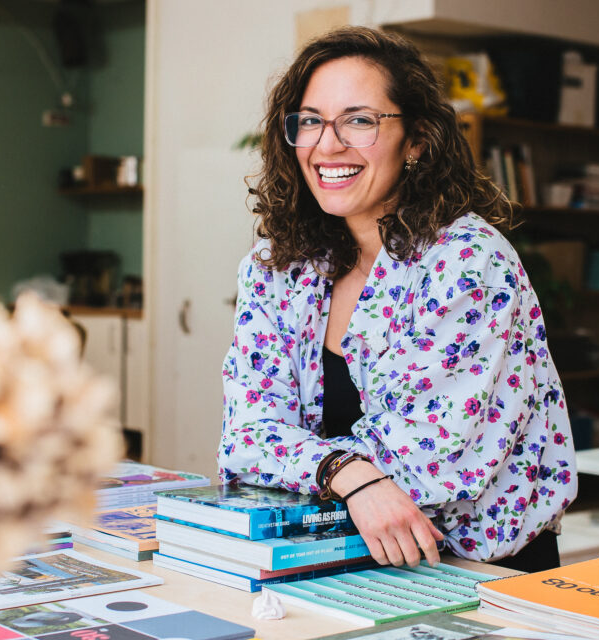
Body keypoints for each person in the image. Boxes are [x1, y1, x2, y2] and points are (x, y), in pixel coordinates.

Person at [217, 26, 576, 572]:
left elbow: (424, 459)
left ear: (416, 141)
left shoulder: (468, 262)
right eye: (310, 121)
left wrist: (306, 462)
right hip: (336, 557)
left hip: (477, 570)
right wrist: (348, 473)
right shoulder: (279, 265)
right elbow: (245, 437)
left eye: (359, 120)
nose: (327, 144)